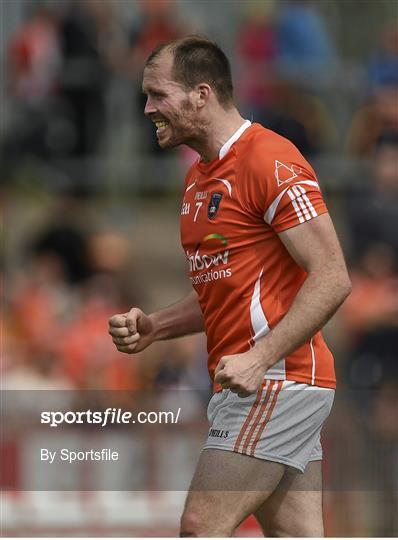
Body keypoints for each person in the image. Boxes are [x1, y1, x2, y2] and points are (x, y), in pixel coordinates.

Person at [108, 36, 351, 537]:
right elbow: (222, 292)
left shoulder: (268, 157)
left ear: (201, 94)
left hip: (275, 380)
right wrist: (156, 326)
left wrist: (260, 358)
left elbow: (332, 276)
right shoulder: (197, 180)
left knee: (201, 524)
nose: (148, 107)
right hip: (257, 379)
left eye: (158, 94)